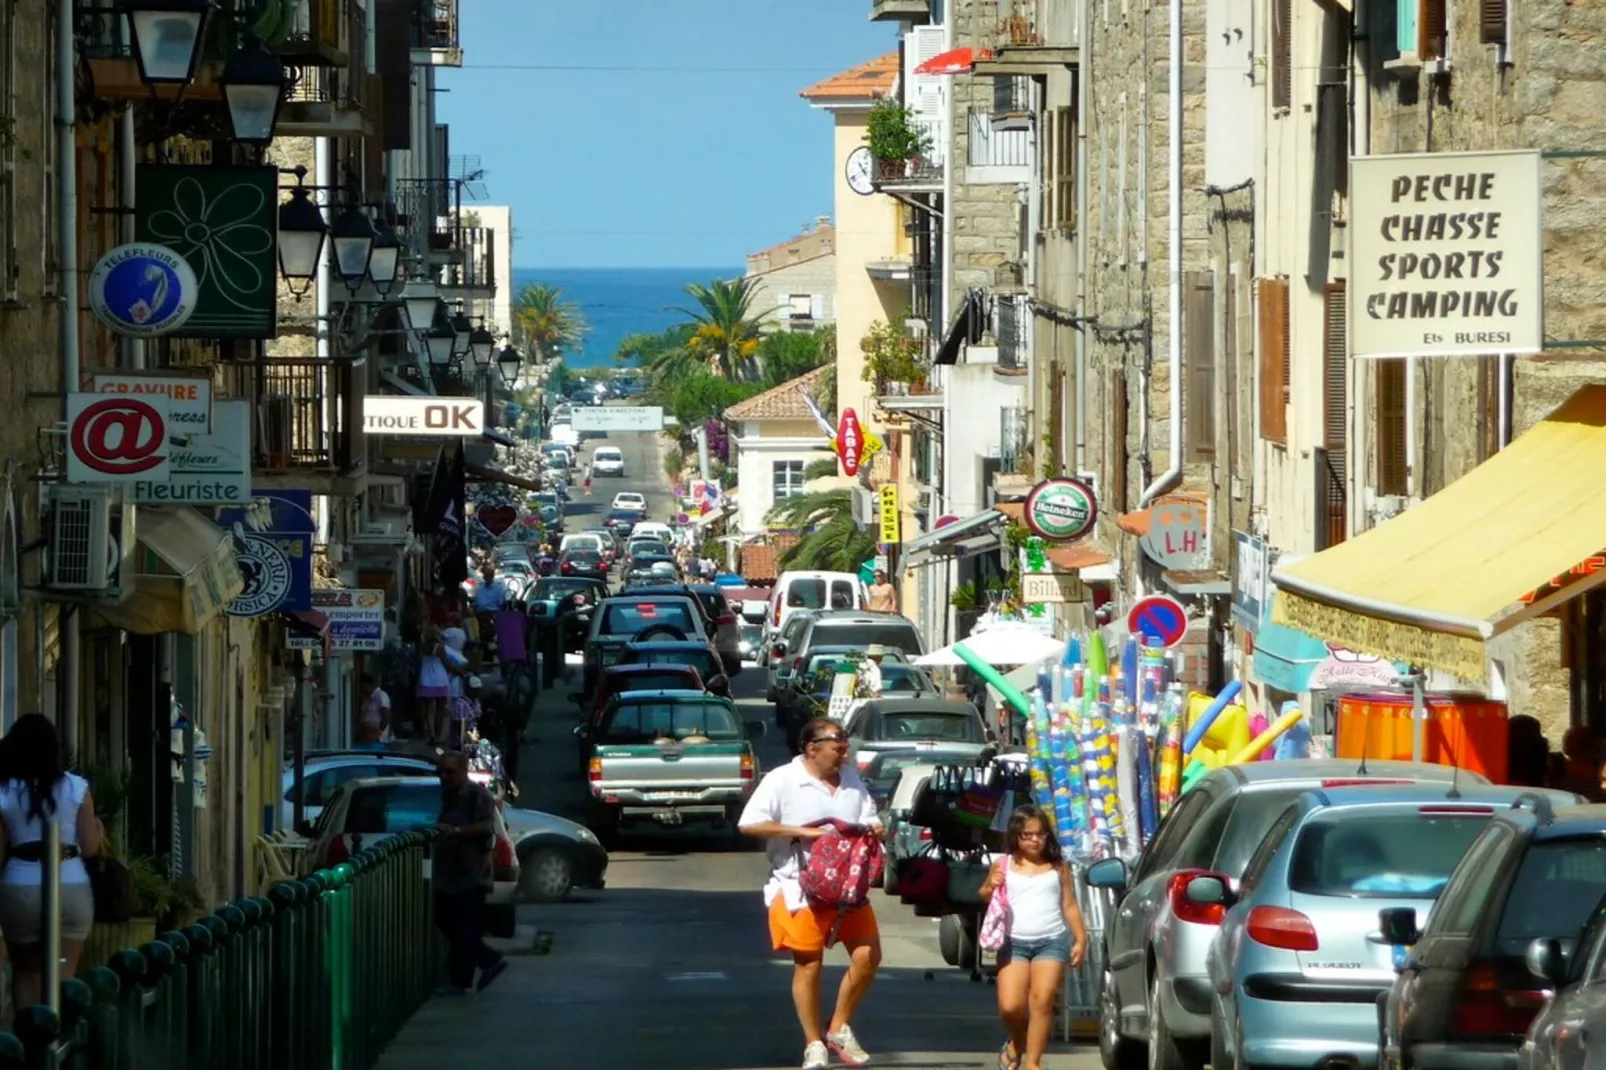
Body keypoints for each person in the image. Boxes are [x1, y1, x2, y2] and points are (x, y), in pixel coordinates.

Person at [739, 716, 884, 1070]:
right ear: (812, 747)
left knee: (868, 956)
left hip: (848, 888)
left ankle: (837, 1027)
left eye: (845, 744)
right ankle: (813, 1043)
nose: (844, 751)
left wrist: (875, 828)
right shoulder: (782, 780)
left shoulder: (850, 778)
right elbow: (749, 823)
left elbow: (868, 815)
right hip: (797, 887)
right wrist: (802, 832)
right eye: (838, 744)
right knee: (809, 963)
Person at [0, 715, 105, 1013]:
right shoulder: (76, 788)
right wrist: (98, 829)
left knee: (26, 974)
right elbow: (91, 849)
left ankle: (31, 1048)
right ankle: (58, 1047)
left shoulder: (5, 791)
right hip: (70, 883)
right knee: (63, 974)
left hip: (20, 884)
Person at [980, 805, 1089, 1070]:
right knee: (1010, 1006)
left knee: (1042, 1001)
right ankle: (1017, 1041)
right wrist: (990, 885)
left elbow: (1070, 905)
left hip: (1051, 941)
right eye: (1027, 834)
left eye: (1040, 834)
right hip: (1013, 942)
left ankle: (1033, 1063)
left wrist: (1081, 938)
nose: (1035, 840)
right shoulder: (1003, 864)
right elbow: (983, 894)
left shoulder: (1057, 867)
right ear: (1016, 835)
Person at [432, 752, 507, 995]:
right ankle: (463, 978)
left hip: (471, 873)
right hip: (447, 874)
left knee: (465, 928)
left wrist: (456, 830)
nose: (443, 777)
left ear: (463, 771)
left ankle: (486, 962)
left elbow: (485, 826)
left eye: (449, 772)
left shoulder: (477, 795)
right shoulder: (448, 796)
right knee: (446, 921)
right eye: (440, 772)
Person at [356, 674, 391, 750]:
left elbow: (386, 716)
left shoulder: (381, 695)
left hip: (377, 739)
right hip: (365, 738)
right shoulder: (366, 699)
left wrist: (378, 731)